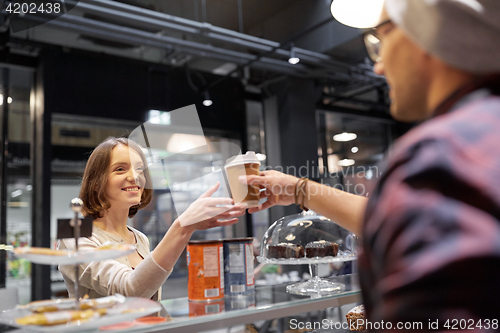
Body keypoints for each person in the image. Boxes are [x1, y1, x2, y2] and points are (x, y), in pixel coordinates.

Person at [243, 0, 500, 329]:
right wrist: (298, 189)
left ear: (427, 33)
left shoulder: (443, 154)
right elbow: (395, 223)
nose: (378, 67)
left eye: (380, 38)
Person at [58, 137, 245, 300]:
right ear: (96, 182)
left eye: (139, 168)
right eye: (121, 169)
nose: (134, 176)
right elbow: (127, 289)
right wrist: (183, 227)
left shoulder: (140, 238)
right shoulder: (73, 233)